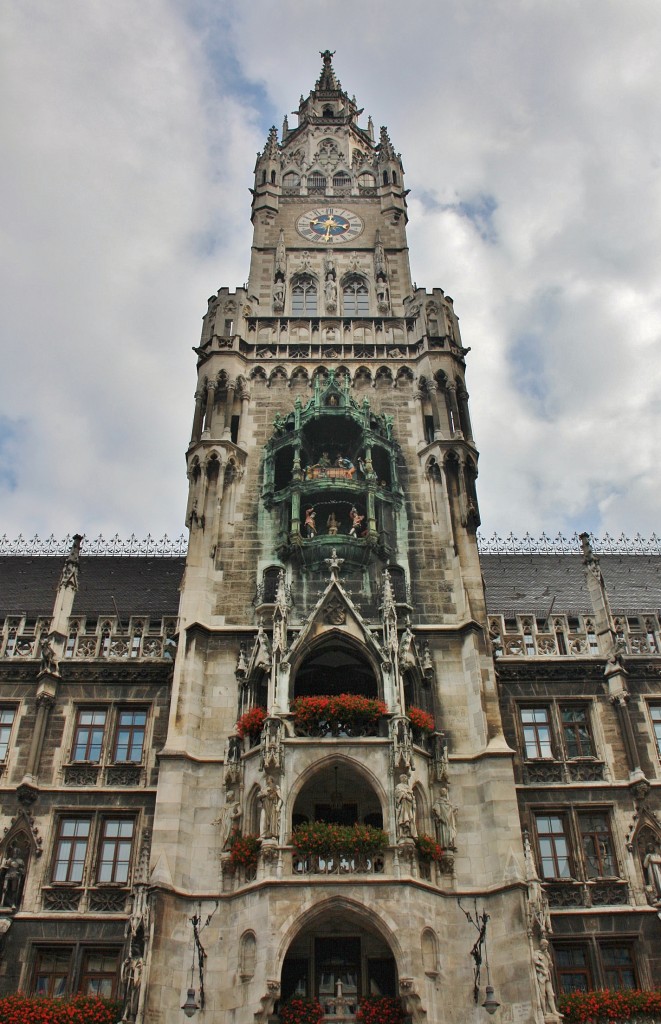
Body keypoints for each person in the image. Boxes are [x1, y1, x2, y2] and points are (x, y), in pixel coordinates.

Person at [534, 939, 559, 1016]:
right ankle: (544, 1012)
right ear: (541, 945)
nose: (546, 947)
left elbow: (550, 965)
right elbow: (535, 963)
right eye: (545, 945)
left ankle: (554, 1011)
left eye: (547, 946)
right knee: (542, 994)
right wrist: (542, 969)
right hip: (541, 976)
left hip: (547, 975)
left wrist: (550, 962)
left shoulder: (547, 954)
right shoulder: (536, 953)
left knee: (550, 993)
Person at [395, 773, 417, 838]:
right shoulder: (398, 786)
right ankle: (403, 832)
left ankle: (409, 833)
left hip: (409, 805)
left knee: (410, 818)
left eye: (405, 777)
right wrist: (403, 795)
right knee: (404, 817)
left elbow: (412, 797)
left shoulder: (409, 787)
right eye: (402, 777)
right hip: (403, 804)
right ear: (400, 779)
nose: (404, 778)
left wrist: (410, 798)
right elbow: (397, 794)